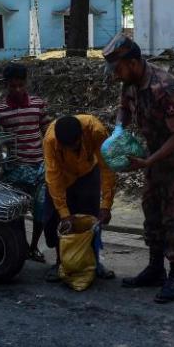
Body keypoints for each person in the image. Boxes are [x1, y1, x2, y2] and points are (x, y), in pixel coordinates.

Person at [103, 34, 174, 303]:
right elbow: (124, 108)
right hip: (152, 157)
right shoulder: (131, 83)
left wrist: (149, 161)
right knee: (151, 212)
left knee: (173, 218)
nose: (115, 76)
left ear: (133, 62)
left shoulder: (166, 88)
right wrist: (119, 127)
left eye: (118, 69)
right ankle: (155, 269)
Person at [42, 114, 116, 283]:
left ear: (82, 136)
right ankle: (61, 263)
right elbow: (53, 177)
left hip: (87, 172)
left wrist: (106, 204)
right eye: (65, 148)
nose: (69, 150)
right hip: (62, 176)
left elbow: (107, 168)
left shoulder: (96, 131)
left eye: (73, 146)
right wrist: (64, 213)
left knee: (92, 220)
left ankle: (95, 263)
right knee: (54, 220)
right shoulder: (50, 140)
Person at [0, 63, 50, 262]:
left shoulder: (37, 104)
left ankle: (34, 247)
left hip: (40, 166)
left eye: (20, 85)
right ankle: (21, 245)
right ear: (6, 85)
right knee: (15, 212)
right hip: (16, 169)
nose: (17, 90)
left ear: (25, 84)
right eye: (13, 86)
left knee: (42, 210)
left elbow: (48, 131)